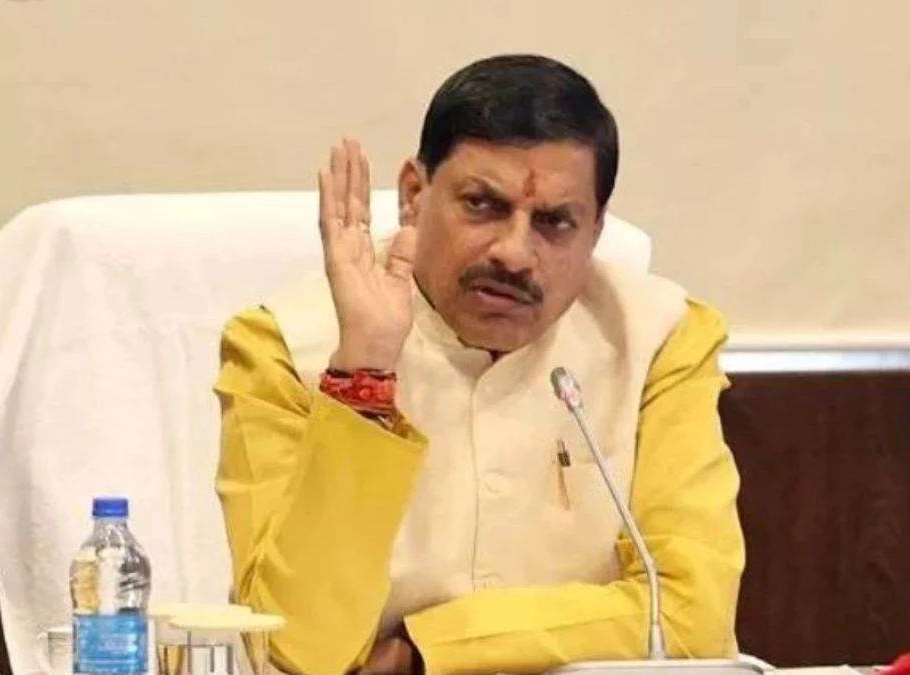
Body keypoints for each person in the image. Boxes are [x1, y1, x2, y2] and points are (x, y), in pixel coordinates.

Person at [214, 54, 744, 675]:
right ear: (414, 195)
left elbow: (690, 617)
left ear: (595, 231)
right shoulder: (281, 348)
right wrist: (364, 372)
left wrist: (428, 651)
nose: (515, 254)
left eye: (554, 222)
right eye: (483, 205)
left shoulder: (659, 341)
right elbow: (298, 650)